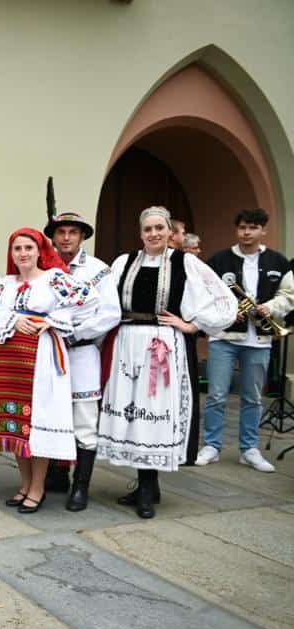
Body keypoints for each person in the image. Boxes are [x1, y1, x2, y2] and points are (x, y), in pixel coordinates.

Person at [98, 206, 236, 519]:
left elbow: (224, 299)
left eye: (160, 228)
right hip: (127, 343)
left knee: (154, 413)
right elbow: (104, 298)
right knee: (134, 414)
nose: (154, 234)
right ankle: (147, 484)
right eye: (148, 229)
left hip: (163, 345)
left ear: (170, 231)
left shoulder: (185, 262)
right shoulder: (124, 261)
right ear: (141, 232)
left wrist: (193, 325)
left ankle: (148, 487)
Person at [0, 228, 98, 514]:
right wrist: (11, 318)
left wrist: (53, 321)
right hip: (8, 359)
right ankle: (24, 484)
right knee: (15, 422)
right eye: (17, 248)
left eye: (28, 248)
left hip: (41, 358)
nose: (23, 253)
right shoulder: (5, 284)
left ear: (39, 251)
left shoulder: (52, 278)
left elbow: (89, 300)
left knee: (36, 422)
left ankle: (38, 488)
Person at [196, 208, 293, 472]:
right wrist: (227, 312)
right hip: (224, 337)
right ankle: (212, 446)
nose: (246, 233)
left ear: (263, 231)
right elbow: (205, 294)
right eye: (242, 228)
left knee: (252, 397)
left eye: (252, 228)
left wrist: (271, 308)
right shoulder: (219, 260)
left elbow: (289, 295)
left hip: (259, 339)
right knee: (216, 395)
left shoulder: (278, 262)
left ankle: (249, 449)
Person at [45, 212, 122, 511]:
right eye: (61, 232)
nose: (66, 237)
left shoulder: (98, 270)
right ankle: (56, 472)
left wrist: (74, 334)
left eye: (72, 232)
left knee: (85, 420)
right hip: (49, 351)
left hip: (81, 352)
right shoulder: (44, 265)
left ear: (82, 236)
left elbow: (110, 313)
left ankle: (81, 485)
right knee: (52, 411)